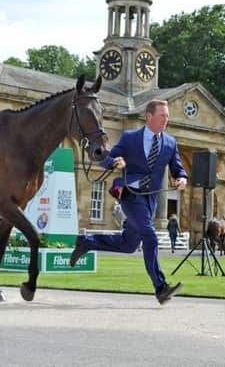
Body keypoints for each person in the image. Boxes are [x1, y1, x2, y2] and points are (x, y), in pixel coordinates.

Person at [70, 99, 188, 305]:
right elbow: (104, 157)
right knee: (150, 237)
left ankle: (86, 242)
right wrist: (115, 161)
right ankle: (161, 287)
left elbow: (177, 167)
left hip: (150, 200)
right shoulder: (130, 137)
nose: (166, 120)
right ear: (149, 116)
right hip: (130, 195)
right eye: (162, 116)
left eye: (167, 116)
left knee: (128, 245)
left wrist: (182, 178)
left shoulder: (170, 142)